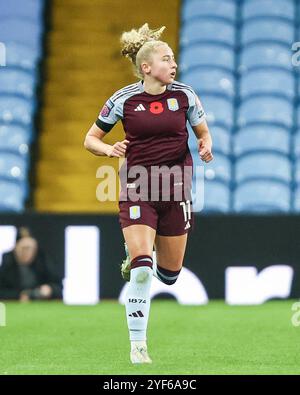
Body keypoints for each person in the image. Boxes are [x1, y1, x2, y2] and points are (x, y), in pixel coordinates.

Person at [84, 23, 213, 364]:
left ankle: (143, 257)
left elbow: (202, 131)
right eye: (167, 59)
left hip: (176, 189)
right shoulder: (123, 99)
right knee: (142, 268)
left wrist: (205, 144)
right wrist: (108, 149)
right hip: (137, 187)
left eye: (173, 59)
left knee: (169, 275)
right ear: (147, 67)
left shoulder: (185, 95)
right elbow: (90, 139)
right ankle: (138, 346)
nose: (174, 65)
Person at [0, 227, 63, 301]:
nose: (27, 252)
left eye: (31, 248)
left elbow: (59, 288)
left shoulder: (43, 262)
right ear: (16, 248)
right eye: (24, 248)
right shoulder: (7, 263)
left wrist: (49, 289)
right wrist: (19, 296)